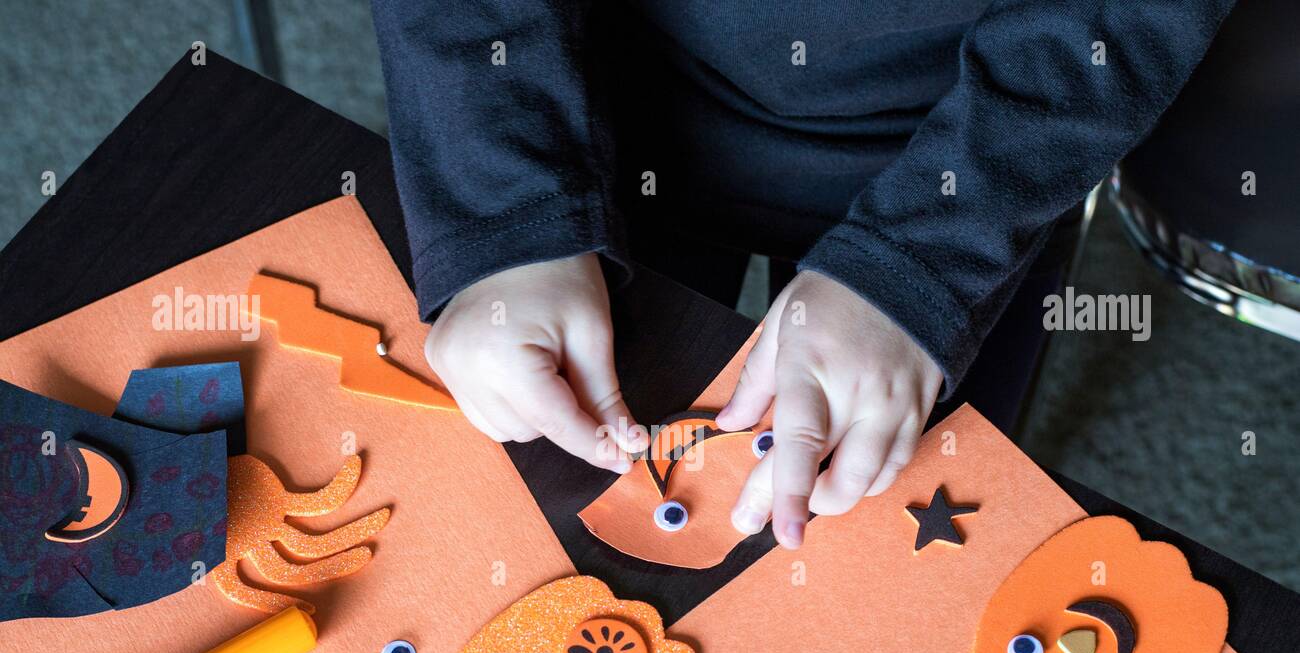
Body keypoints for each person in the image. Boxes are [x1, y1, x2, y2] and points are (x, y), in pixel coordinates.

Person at [372, 1, 1233, 549]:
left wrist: (919, 266)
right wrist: (501, 210)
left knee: (889, 539)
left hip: (968, 140)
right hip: (586, 88)